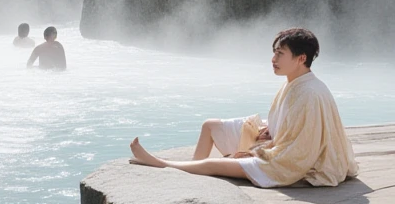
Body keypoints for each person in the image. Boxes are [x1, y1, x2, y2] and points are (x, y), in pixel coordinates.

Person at [129, 28, 359, 188]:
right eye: (274, 52)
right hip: (278, 142)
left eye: (280, 54)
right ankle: (190, 169)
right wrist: (269, 131)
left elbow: (300, 150)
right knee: (210, 126)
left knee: (218, 164)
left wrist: (257, 151)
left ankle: (163, 165)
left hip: (291, 163)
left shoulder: (309, 93)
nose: (273, 59)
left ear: (301, 58)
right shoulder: (296, 83)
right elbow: (292, 126)